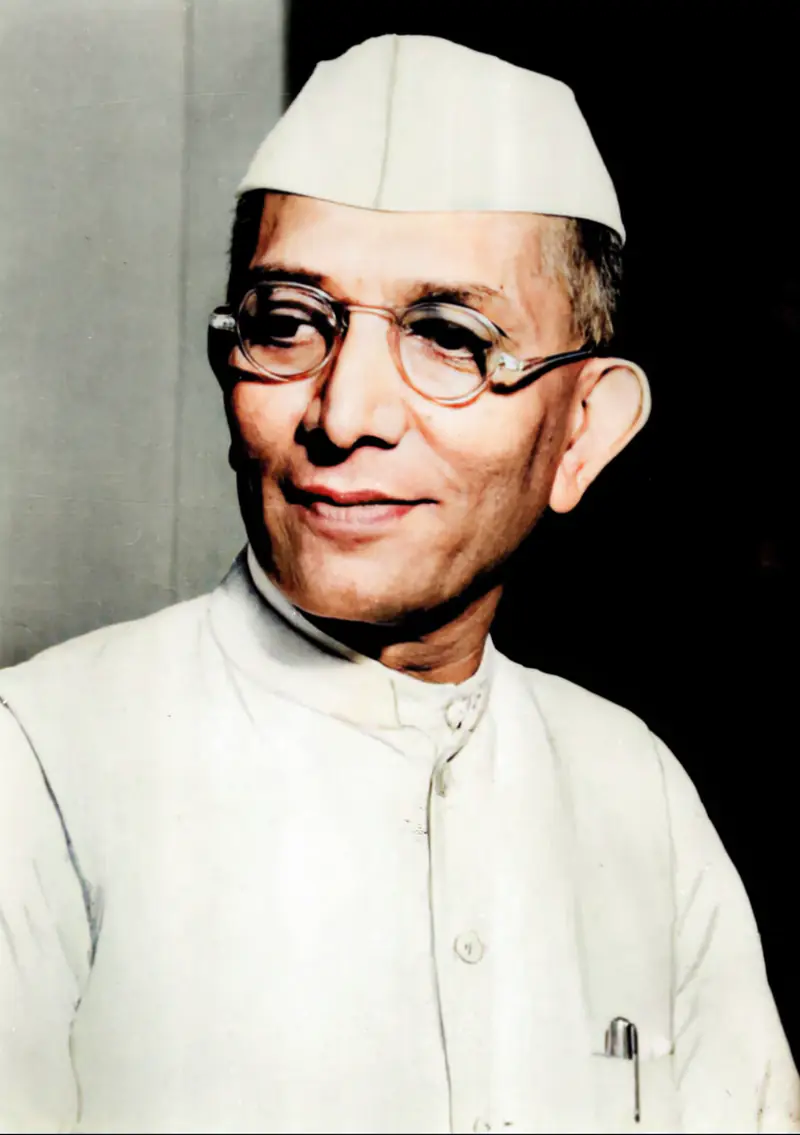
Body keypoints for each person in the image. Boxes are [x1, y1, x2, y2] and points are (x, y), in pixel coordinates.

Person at [0, 33, 796, 1135]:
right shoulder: (41, 761)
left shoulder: (635, 792)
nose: (344, 415)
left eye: (449, 338)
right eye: (288, 325)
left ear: (582, 432)